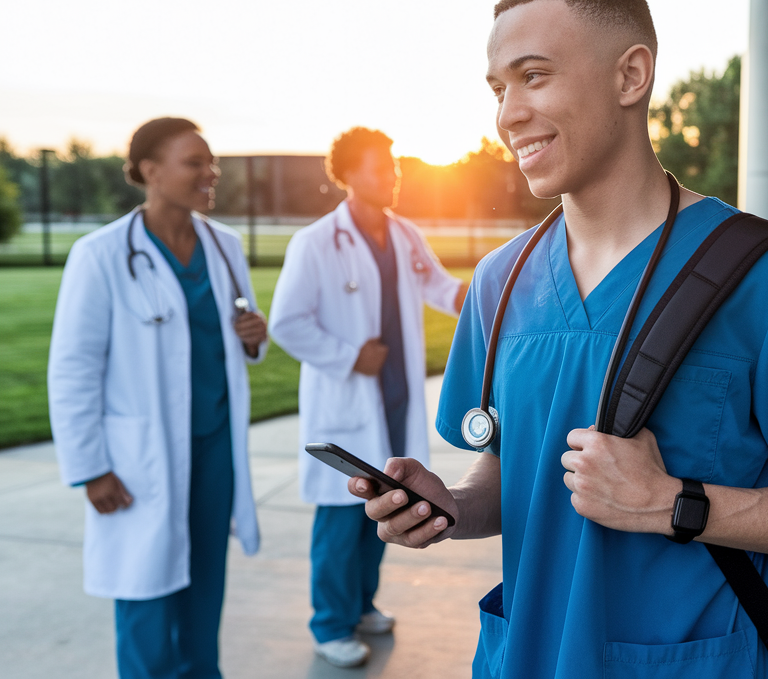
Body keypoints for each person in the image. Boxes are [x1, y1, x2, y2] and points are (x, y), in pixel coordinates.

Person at [349, 0, 768, 679]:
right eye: (498, 88)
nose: (507, 113)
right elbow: (511, 475)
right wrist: (451, 507)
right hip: (527, 657)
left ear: (630, 76)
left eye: (534, 75)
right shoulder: (501, 281)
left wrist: (673, 504)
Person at [48, 117, 268, 679]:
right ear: (150, 171)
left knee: (204, 584)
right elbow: (72, 369)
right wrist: (90, 467)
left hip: (214, 445)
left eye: (210, 161)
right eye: (195, 162)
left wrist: (253, 338)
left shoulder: (224, 246)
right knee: (145, 590)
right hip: (136, 455)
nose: (210, 172)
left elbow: (235, 332)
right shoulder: (100, 255)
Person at [268, 126, 466, 668]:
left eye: (395, 166)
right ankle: (329, 624)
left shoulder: (402, 234)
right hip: (349, 400)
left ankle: (361, 605)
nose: (393, 176)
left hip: (394, 399)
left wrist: (482, 292)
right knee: (339, 521)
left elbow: (439, 288)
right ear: (349, 175)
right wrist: (349, 354)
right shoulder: (314, 242)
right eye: (382, 168)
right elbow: (286, 322)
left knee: (384, 507)